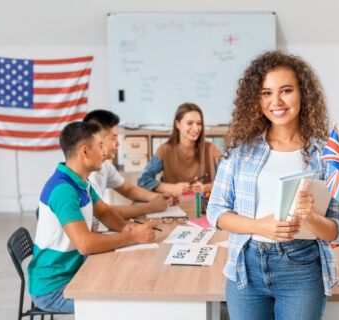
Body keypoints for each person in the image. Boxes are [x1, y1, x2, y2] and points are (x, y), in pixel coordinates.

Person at [207, 51, 339, 320]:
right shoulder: (241, 151)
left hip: (301, 269)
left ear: (303, 94)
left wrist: (312, 217)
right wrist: (259, 226)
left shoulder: (326, 155)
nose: (276, 101)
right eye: (266, 93)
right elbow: (215, 212)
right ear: (256, 98)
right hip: (246, 268)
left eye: (286, 90)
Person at [28, 122, 158, 314]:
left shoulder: (80, 181)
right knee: (125, 305)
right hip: (54, 288)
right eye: (100, 146)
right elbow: (85, 244)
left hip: (74, 270)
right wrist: (133, 237)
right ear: (85, 151)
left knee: (129, 282)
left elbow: (104, 212)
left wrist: (126, 229)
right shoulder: (63, 190)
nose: (105, 152)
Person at [83, 110, 173, 229]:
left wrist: (158, 198)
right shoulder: (88, 175)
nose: (118, 144)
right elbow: (104, 212)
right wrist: (150, 207)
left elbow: (129, 189)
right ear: (97, 139)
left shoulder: (105, 165)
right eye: (114, 138)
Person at [137, 102, 222, 195]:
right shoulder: (165, 150)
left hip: (203, 206)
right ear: (178, 124)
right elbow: (143, 180)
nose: (196, 128)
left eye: (199, 123)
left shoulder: (211, 149)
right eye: (190, 123)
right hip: (173, 205)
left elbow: (230, 178)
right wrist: (173, 188)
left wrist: (205, 187)